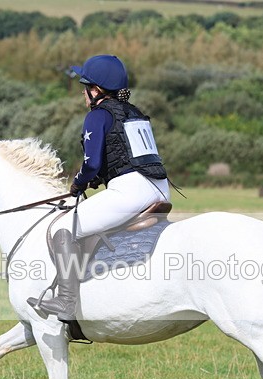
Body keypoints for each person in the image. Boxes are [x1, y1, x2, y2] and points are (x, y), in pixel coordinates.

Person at [34, 54, 171, 321]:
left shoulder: (98, 116)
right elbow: (124, 156)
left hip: (130, 191)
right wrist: (98, 179)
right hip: (160, 187)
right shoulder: (134, 112)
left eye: (85, 88)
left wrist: (79, 183)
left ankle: (65, 300)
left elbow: (92, 163)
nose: (83, 95)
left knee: (63, 227)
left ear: (96, 90)